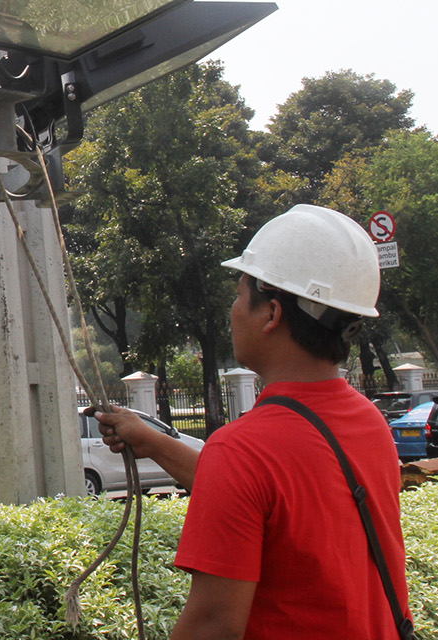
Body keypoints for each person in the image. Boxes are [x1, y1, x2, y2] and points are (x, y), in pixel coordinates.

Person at [94, 204, 412, 640]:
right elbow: (271, 501)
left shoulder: (244, 451)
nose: (234, 310)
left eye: (240, 295)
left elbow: (213, 626)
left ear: (272, 314)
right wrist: (152, 442)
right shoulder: (369, 423)